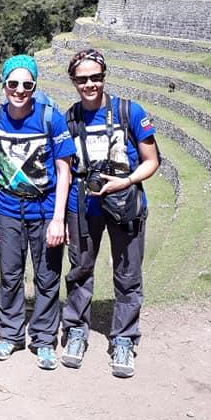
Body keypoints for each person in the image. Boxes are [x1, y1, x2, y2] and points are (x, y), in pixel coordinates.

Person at [59, 48, 159, 378]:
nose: (90, 84)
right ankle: (76, 331)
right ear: (73, 81)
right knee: (80, 269)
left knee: (128, 274)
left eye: (96, 77)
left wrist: (124, 181)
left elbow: (151, 160)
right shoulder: (70, 118)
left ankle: (125, 338)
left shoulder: (130, 112)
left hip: (125, 203)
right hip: (84, 206)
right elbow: (66, 168)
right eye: (82, 79)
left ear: (104, 76)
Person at [0, 55, 73, 370]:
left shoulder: (51, 118)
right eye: (13, 83)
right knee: (10, 275)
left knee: (47, 277)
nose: (19, 90)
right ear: (5, 84)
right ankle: (10, 335)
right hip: (8, 209)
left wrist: (58, 219)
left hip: (45, 209)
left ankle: (44, 340)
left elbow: (65, 171)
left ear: (35, 85)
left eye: (27, 84)